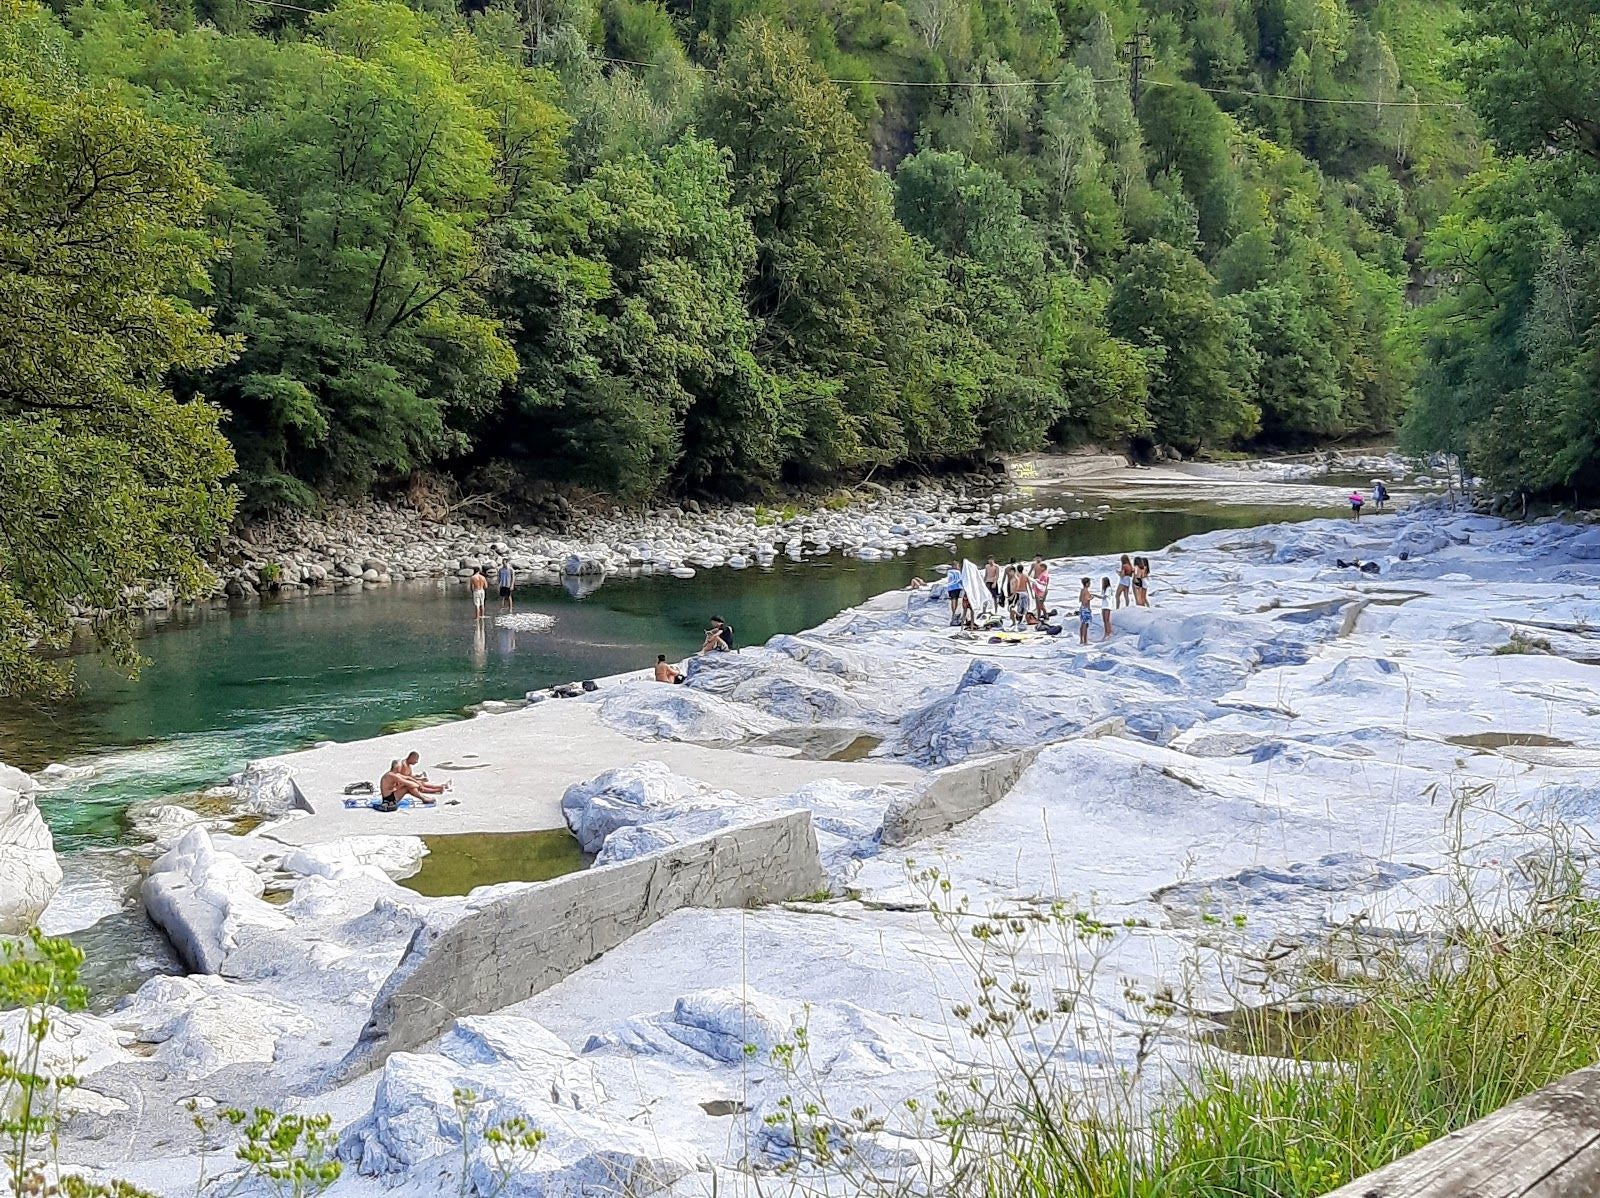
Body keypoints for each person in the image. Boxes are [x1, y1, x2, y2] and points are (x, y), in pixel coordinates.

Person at [1077, 577, 1094, 645]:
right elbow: (1086, 600)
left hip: (1082, 608)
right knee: (1085, 625)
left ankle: (1081, 639)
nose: (1090, 584)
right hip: (1086, 609)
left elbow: (1080, 599)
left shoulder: (1082, 590)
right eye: (1089, 583)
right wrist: (1091, 598)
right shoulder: (1086, 591)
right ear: (1087, 583)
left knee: (1082, 624)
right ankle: (1085, 641)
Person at [1099, 576, 1114, 641]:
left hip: (1107, 606)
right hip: (1104, 605)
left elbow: (1104, 597)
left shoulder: (1108, 588)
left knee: (1107, 620)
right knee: (1104, 620)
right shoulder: (1104, 589)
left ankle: (1109, 633)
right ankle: (1106, 633)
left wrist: (1095, 595)